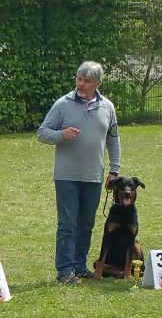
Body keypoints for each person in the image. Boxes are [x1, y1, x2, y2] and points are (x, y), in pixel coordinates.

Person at [37, 61, 121, 285]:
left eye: (87, 81)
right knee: (67, 223)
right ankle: (64, 271)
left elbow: (113, 139)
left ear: (98, 83)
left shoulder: (108, 107)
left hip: (93, 175)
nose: (81, 84)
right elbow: (42, 132)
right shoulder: (62, 105)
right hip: (67, 176)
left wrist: (114, 169)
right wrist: (61, 135)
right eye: (79, 79)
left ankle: (79, 266)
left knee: (86, 223)